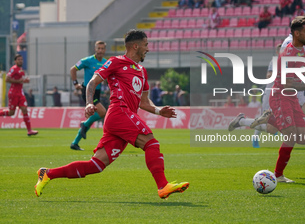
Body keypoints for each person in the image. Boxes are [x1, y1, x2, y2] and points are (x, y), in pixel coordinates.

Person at [34, 29, 189, 199]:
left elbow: (144, 102)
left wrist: (159, 111)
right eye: (146, 45)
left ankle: (48, 173)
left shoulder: (142, 71)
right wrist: (88, 103)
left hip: (123, 118)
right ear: (135, 46)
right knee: (151, 143)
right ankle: (163, 186)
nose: (148, 49)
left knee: (96, 165)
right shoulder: (116, 62)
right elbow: (93, 81)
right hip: (119, 112)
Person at [229, 16, 305, 176]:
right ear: (296, 33)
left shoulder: (304, 47)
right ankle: (280, 172)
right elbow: (284, 76)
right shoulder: (287, 48)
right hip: (287, 89)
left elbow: (300, 66)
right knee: (277, 130)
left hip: (298, 87)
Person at [69, 40, 107, 150]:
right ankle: (84, 125)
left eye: (102, 48)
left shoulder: (105, 62)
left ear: (104, 50)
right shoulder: (88, 60)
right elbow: (73, 69)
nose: (100, 50)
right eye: (98, 48)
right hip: (88, 91)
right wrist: (75, 83)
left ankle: (75, 142)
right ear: (95, 49)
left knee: (93, 117)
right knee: (102, 112)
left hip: (98, 92)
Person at [0, 54, 38, 136]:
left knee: (24, 110)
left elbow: (20, 80)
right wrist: (20, 81)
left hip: (20, 93)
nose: (20, 61)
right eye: (19, 59)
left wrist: (25, 81)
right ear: (15, 61)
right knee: (11, 113)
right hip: (13, 93)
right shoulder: (13, 69)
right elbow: (7, 79)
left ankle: (29, 130)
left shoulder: (21, 70)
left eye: (21, 59)